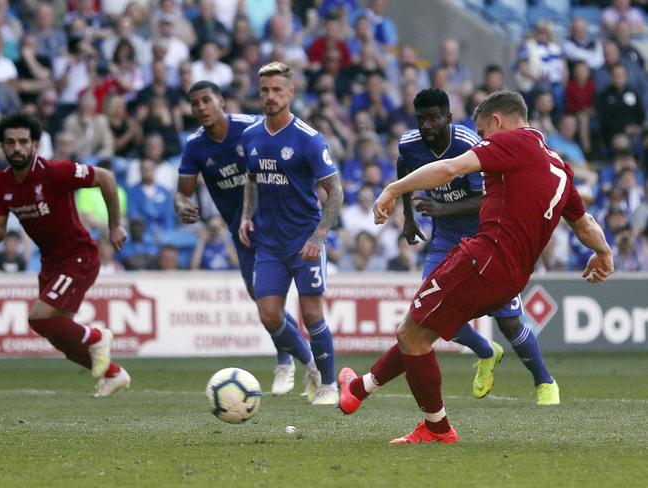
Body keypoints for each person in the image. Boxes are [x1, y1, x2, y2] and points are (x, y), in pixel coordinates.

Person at [338, 90, 614, 444]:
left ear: (497, 122)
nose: (482, 141)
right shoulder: (559, 166)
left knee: (412, 335)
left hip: (483, 258)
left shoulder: (513, 142)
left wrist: (393, 188)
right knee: (420, 330)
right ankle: (358, 390)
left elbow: (451, 168)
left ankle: (437, 428)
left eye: (483, 133)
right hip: (512, 276)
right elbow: (584, 222)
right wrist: (604, 253)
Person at [397, 88, 559, 403]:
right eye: (421, 119)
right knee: (428, 312)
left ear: (448, 118)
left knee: (509, 321)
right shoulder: (409, 145)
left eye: (434, 118)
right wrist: (407, 217)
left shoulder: (470, 144)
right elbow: (406, 172)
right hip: (444, 239)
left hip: (486, 238)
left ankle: (545, 381)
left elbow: (486, 197)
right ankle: (486, 351)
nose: (427, 125)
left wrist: (441, 208)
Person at [174, 80, 316, 397]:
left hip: (278, 224)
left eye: (206, 100)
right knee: (264, 301)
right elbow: (181, 194)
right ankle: (296, 360)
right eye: (195, 103)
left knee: (275, 303)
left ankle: (301, 364)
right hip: (244, 233)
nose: (201, 108)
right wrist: (184, 208)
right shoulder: (195, 146)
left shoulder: (250, 128)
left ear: (221, 101)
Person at [0, 112, 130, 397]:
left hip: (78, 256)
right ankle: (113, 374)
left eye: (23, 142)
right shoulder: (2, 184)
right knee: (60, 337)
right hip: (51, 263)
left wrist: (114, 226)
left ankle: (97, 336)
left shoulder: (54, 172)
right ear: (2, 147)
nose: (17, 148)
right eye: (10, 142)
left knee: (38, 318)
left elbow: (106, 177)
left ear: (34, 144)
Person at [239, 62, 344, 405]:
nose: (270, 97)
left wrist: (319, 236)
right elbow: (251, 181)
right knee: (269, 315)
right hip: (268, 242)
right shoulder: (251, 135)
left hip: (303, 241)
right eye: (265, 90)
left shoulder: (309, 139)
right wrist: (246, 216)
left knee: (312, 314)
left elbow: (335, 191)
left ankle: (328, 385)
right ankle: (309, 364)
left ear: (290, 93)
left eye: (277, 90)